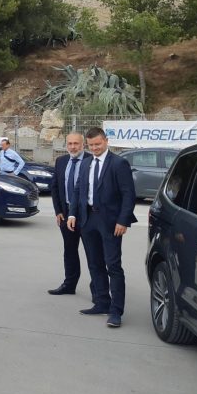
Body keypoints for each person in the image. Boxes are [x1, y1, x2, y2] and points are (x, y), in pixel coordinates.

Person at [68, 127, 136, 328]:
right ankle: (101, 302)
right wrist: (73, 213)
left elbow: (128, 194)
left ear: (106, 141)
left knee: (113, 266)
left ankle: (116, 311)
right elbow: (78, 190)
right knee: (94, 264)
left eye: (98, 144)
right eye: (91, 145)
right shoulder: (87, 162)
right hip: (88, 220)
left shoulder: (119, 163)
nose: (95, 148)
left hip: (111, 223)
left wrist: (123, 221)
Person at [49, 132, 88, 296]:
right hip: (65, 215)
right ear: (66, 145)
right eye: (70, 143)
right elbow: (55, 188)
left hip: (87, 216)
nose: (73, 147)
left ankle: (99, 292)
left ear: (83, 145)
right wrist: (58, 211)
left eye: (76, 144)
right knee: (70, 251)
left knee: (93, 255)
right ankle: (69, 285)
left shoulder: (91, 161)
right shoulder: (61, 161)